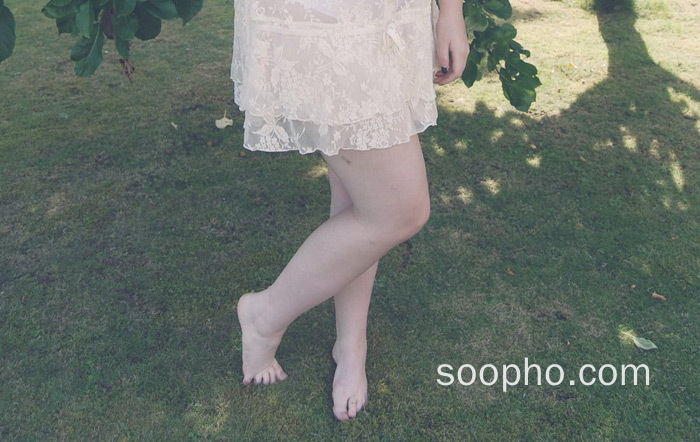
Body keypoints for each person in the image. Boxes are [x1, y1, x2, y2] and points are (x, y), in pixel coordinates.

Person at [231, 0, 468, 421]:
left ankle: (351, 344)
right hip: (331, 18)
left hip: (383, 14)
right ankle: (264, 315)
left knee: (360, 201)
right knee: (400, 209)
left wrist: (452, 9)